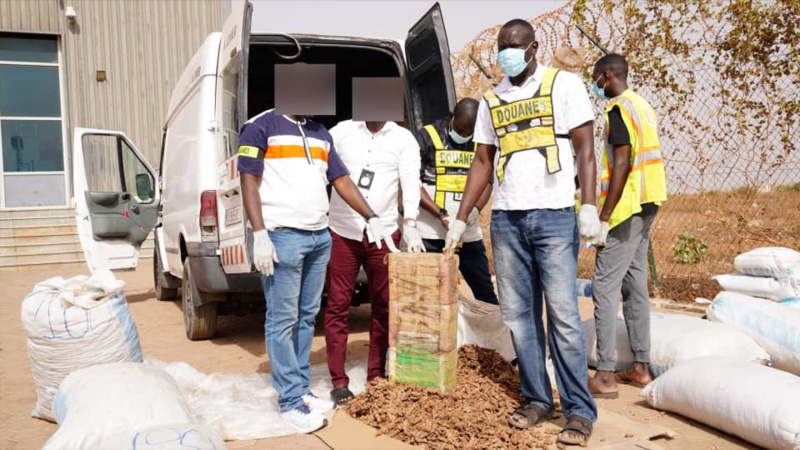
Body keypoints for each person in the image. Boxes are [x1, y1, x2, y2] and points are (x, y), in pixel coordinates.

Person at [443, 19, 601, 446]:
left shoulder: (564, 85)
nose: (506, 53)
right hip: (508, 220)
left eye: (514, 45)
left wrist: (589, 204)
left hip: (553, 216)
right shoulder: (493, 99)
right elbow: (481, 163)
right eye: (501, 47)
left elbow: (586, 148)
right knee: (519, 316)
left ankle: (578, 410)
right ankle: (537, 399)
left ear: (534, 47)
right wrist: (461, 219)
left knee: (564, 315)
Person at [238, 109, 397, 434]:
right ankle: (289, 401)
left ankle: (301, 388)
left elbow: (341, 180)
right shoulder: (260, 126)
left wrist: (371, 215)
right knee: (282, 319)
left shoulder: (320, 133)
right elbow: (248, 180)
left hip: (318, 236)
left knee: (307, 315)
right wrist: (258, 234)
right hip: (283, 234)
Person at [324, 119, 423, 407]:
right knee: (338, 305)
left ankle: (375, 374)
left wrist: (410, 222)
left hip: (384, 234)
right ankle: (339, 381)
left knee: (383, 305)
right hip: (343, 231)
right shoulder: (340, 132)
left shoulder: (403, 139)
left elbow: (410, 182)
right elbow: (324, 171)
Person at [586, 53, 667, 399]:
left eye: (595, 79)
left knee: (604, 286)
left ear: (606, 75)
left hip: (625, 208)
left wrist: (603, 216)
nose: (595, 86)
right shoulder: (642, 105)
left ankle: (604, 373)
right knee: (635, 283)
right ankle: (640, 366)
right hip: (649, 201)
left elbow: (620, 164)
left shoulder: (618, 109)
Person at [415, 98, 499, 306]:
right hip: (430, 233)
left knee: (486, 294)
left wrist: (474, 210)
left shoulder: (482, 140)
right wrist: (441, 215)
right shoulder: (426, 136)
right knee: (429, 296)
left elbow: (488, 181)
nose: (463, 136)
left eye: (467, 133)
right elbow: (412, 185)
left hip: (467, 234)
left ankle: (491, 337)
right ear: (451, 116)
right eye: (460, 130)